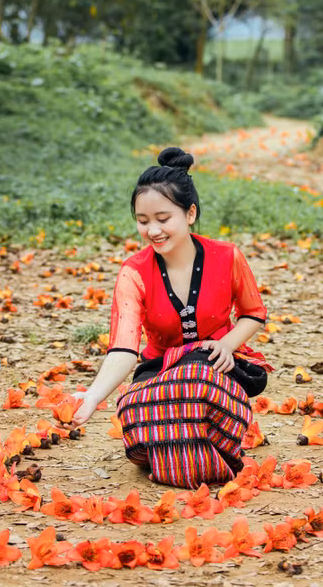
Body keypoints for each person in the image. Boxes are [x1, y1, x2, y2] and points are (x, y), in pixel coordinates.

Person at [64, 146, 272, 489]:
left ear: (189, 214)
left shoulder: (226, 256)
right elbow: (124, 347)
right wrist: (92, 396)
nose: (153, 231)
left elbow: (253, 314)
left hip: (215, 367)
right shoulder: (134, 272)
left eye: (163, 219)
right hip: (159, 369)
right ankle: (192, 456)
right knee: (132, 410)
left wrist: (226, 344)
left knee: (196, 379)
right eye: (142, 221)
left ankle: (191, 453)